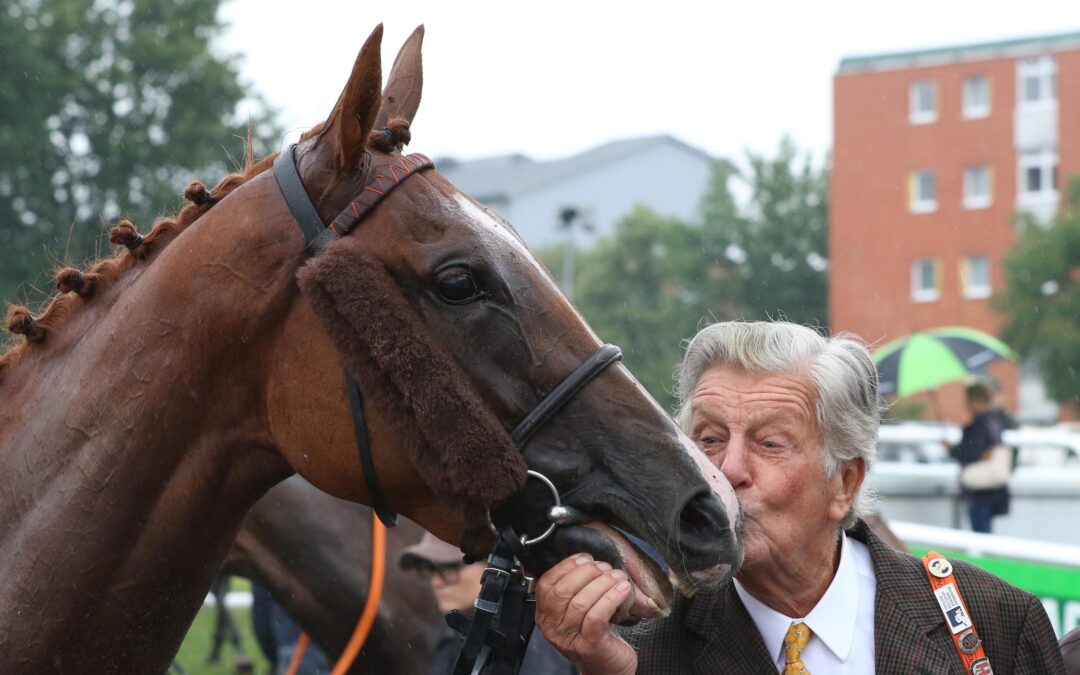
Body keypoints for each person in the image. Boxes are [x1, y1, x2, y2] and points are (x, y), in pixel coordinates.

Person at [534, 320, 1064, 674]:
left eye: (770, 443)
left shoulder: (990, 621)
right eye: (710, 440)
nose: (729, 470)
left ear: (846, 482)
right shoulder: (634, 647)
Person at [399, 532, 577, 675]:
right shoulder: (453, 635)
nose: (436, 582)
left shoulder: (535, 637)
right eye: (430, 570)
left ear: (495, 567)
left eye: (449, 568)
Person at [949, 381, 1011, 533]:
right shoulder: (994, 420)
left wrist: (952, 449)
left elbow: (971, 452)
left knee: (980, 534)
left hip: (980, 491)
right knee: (985, 532)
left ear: (974, 401)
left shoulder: (979, 423)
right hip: (993, 488)